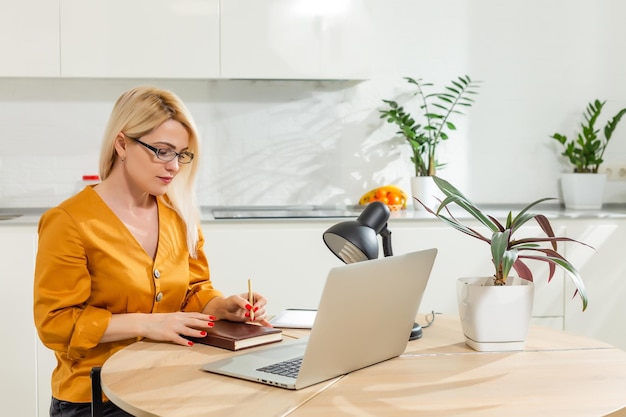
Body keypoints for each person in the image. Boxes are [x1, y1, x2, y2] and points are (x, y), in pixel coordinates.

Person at [33, 86, 271, 417]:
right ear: (122, 144)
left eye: (182, 154)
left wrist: (224, 307)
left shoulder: (178, 215)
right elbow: (55, 324)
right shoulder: (69, 221)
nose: (174, 166)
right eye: (162, 151)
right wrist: (148, 324)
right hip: (95, 399)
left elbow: (193, 291)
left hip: (168, 382)